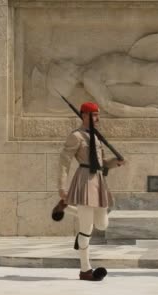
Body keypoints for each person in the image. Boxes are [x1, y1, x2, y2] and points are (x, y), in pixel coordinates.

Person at [55, 102, 126, 281]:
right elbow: (64, 162)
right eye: (94, 115)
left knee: (102, 224)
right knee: (86, 229)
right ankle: (85, 270)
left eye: (98, 114)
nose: (98, 118)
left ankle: (67, 208)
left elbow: (101, 162)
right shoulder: (76, 136)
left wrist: (115, 163)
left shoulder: (96, 137)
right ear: (84, 115)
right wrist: (62, 187)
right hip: (85, 180)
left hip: (99, 180)